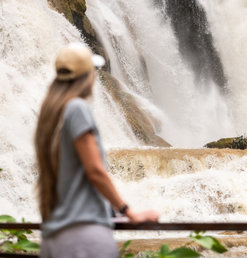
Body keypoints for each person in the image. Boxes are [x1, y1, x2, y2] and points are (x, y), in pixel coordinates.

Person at [35, 43, 159, 258]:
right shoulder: (77, 108)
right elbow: (95, 171)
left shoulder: (51, 115)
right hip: (85, 236)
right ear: (87, 76)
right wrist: (128, 212)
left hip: (55, 236)